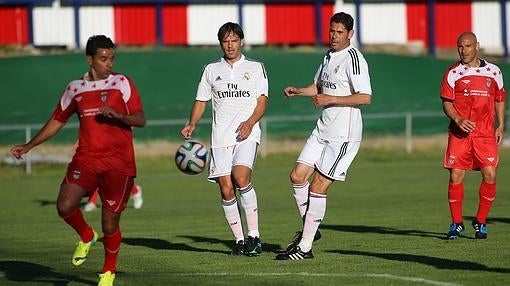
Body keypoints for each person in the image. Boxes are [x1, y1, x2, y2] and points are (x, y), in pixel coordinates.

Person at [10, 35, 146, 285]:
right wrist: (29, 146)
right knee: (64, 205)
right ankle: (86, 235)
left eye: (112, 58)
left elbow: (140, 118)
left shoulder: (122, 83)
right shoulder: (75, 88)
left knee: (109, 223)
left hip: (119, 163)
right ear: (90, 59)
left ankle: (108, 272)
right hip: (86, 159)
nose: (109, 64)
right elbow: (57, 121)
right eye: (104, 59)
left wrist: (118, 116)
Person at [275, 12, 372, 260]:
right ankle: (311, 228)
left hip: (343, 136)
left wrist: (331, 99)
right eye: (332, 31)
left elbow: (365, 96)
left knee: (318, 186)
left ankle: (305, 247)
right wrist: (299, 90)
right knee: (297, 176)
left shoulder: (354, 59)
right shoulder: (328, 56)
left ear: (350, 34)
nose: (334, 36)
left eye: (340, 32)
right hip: (323, 129)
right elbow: (318, 87)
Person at [180, 22, 268, 257]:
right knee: (226, 188)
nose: (230, 45)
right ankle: (239, 241)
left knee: (240, 177)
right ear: (221, 43)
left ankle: (255, 236)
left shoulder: (256, 67)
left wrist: (250, 123)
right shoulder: (210, 70)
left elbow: (262, 101)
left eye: (234, 40)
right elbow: (201, 100)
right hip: (220, 138)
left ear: (241, 41)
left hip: (246, 134)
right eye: (225, 41)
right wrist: (192, 123)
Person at [440, 32, 506, 240]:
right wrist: (458, 119)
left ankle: (481, 221)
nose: (463, 50)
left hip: (485, 134)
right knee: (456, 176)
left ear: (477, 46)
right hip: (460, 135)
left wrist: (501, 124)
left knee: (490, 174)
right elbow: (447, 103)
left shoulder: (494, 71)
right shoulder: (452, 73)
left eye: (467, 46)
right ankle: (456, 223)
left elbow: (499, 98)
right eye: (460, 46)